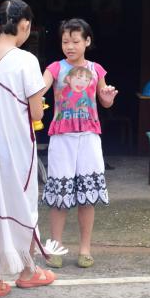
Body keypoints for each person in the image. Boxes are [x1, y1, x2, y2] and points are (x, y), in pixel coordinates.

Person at [0, 0, 55, 298]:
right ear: (24, 25)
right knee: (22, 204)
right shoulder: (26, 60)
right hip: (15, 146)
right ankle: (27, 271)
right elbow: (36, 112)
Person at [41, 18, 118, 269]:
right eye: (65, 41)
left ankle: (85, 249)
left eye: (75, 41)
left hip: (89, 136)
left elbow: (105, 101)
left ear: (87, 41)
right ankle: (55, 247)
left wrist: (108, 97)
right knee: (59, 194)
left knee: (88, 194)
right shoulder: (54, 68)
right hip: (61, 136)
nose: (70, 46)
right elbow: (39, 90)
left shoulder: (97, 69)